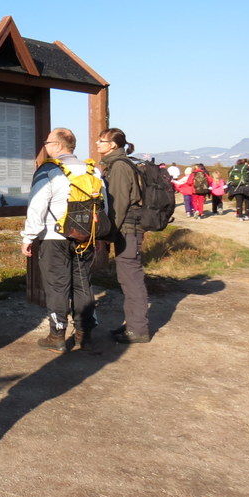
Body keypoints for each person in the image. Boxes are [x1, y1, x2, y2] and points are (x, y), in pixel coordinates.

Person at [20, 128, 99, 353]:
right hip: (85, 236)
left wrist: (28, 236)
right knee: (82, 283)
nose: (45, 146)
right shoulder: (93, 170)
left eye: (47, 142)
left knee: (57, 285)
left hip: (54, 236)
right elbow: (103, 206)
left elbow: (37, 204)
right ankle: (84, 335)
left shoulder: (49, 170)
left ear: (57, 145)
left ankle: (57, 335)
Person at [96, 128, 151, 344]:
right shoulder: (118, 164)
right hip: (127, 228)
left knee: (131, 279)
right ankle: (133, 324)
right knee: (127, 277)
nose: (97, 144)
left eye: (101, 141)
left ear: (113, 145)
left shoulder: (119, 166)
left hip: (128, 229)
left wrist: (108, 233)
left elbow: (118, 205)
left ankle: (138, 330)